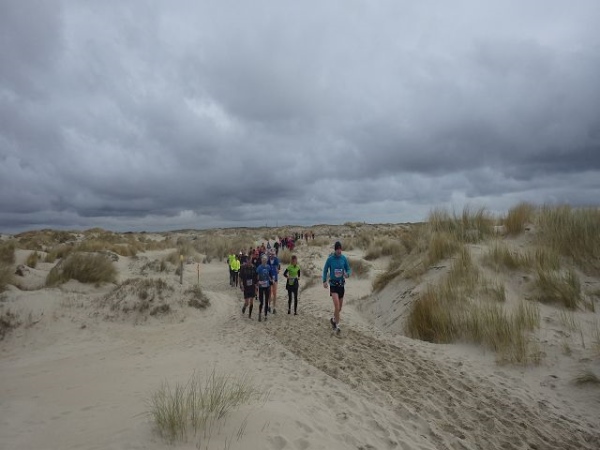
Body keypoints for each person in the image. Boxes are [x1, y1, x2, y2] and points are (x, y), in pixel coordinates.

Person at [322, 241, 351, 334]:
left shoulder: (343, 258)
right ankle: (336, 326)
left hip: (341, 285)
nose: (339, 251)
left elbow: (348, 269)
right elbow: (325, 270)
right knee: (337, 305)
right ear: (335, 250)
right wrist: (324, 281)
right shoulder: (330, 259)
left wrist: (347, 274)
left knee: (339, 308)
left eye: (340, 249)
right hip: (333, 285)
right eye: (337, 249)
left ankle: (334, 320)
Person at [256, 254, 273, 322]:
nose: (264, 260)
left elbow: (269, 275)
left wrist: (271, 279)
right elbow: (257, 275)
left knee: (266, 302)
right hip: (261, 286)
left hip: (267, 286)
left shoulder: (268, 267)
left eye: (265, 259)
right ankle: (260, 314)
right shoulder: (259, 267)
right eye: (263, 259)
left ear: (267, 260)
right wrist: (257, 282)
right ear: (261, 260)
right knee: (261, 302)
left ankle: (265, 315)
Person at [267, 249, 280, 314]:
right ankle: (269, 306)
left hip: (275, 279)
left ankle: (274, 308)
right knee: (270, 293)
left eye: (273, 254)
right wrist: (269, 278)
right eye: (271, 254)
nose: (272, 255)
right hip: (269, 279)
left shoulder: (276, 260)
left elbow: (278, 269)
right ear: (269, 255)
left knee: (274, 293)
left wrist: (277, 270)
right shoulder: (268, 261)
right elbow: (266, 270)